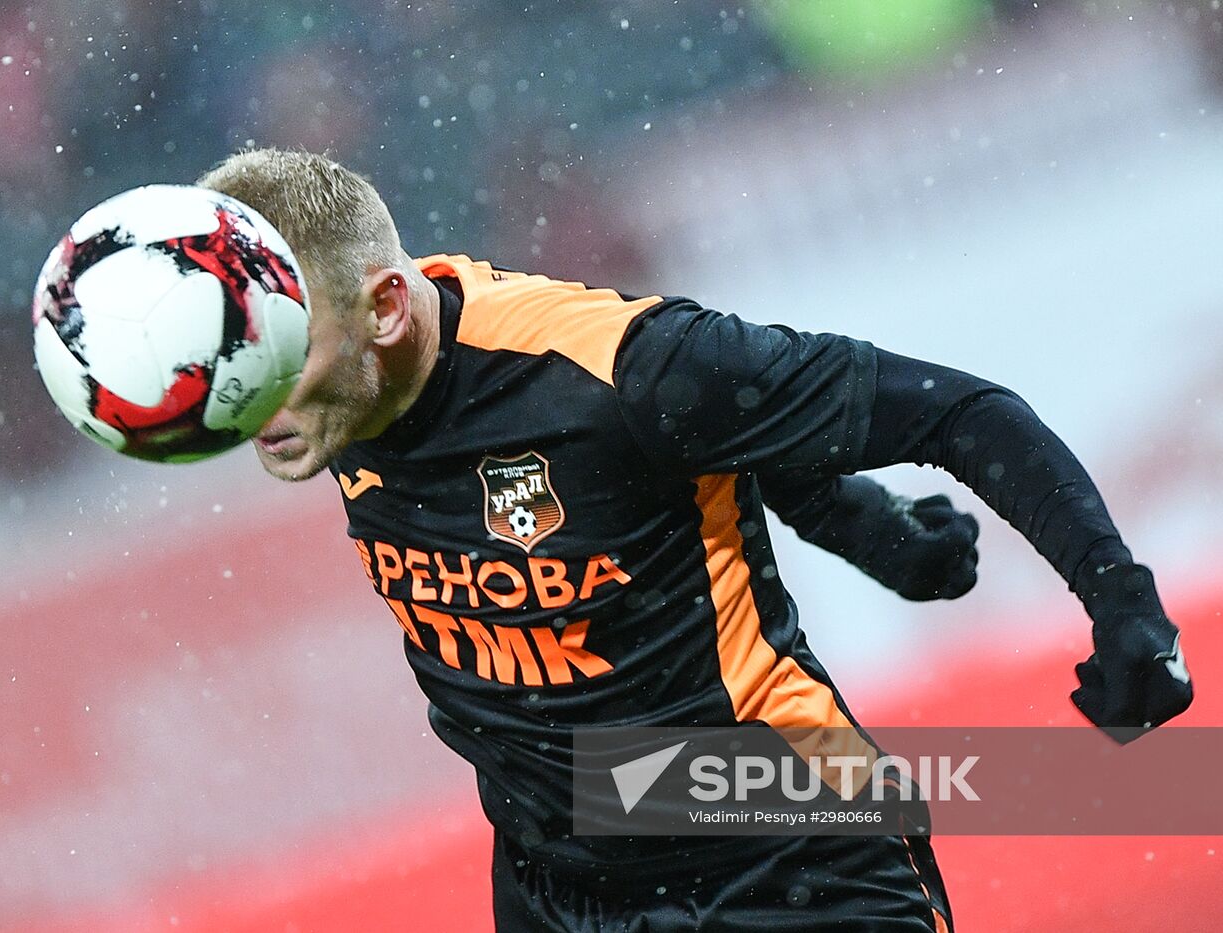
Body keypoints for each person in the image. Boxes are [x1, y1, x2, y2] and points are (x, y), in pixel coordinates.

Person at [198, 148, 1192, 932]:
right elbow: (699, 452)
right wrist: (871, 531)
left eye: (283, 357)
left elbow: (966, 413)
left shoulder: (623, 364)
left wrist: (1121, 603)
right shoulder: (322, 382)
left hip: (780, 839)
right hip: (554, 877)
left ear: (381, 309)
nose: (248, 401)